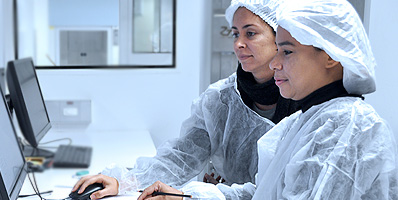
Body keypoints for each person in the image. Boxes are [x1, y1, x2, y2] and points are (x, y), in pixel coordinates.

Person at [138, 0, 398, 199]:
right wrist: (190, 196)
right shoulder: (306, 121)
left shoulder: (347, 128)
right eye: (235, 34)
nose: (275, 62)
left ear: (331, 55)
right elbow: (265, 191)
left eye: (286, 51)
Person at [72, 0, 299, 199]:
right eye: (235, 34)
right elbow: (182, 156)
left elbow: (281, 190)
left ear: (280, 37)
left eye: (250, 33)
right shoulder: (221, 100)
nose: (238, 44)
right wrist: (125, 181)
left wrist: (199, 196)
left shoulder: (306, 103)